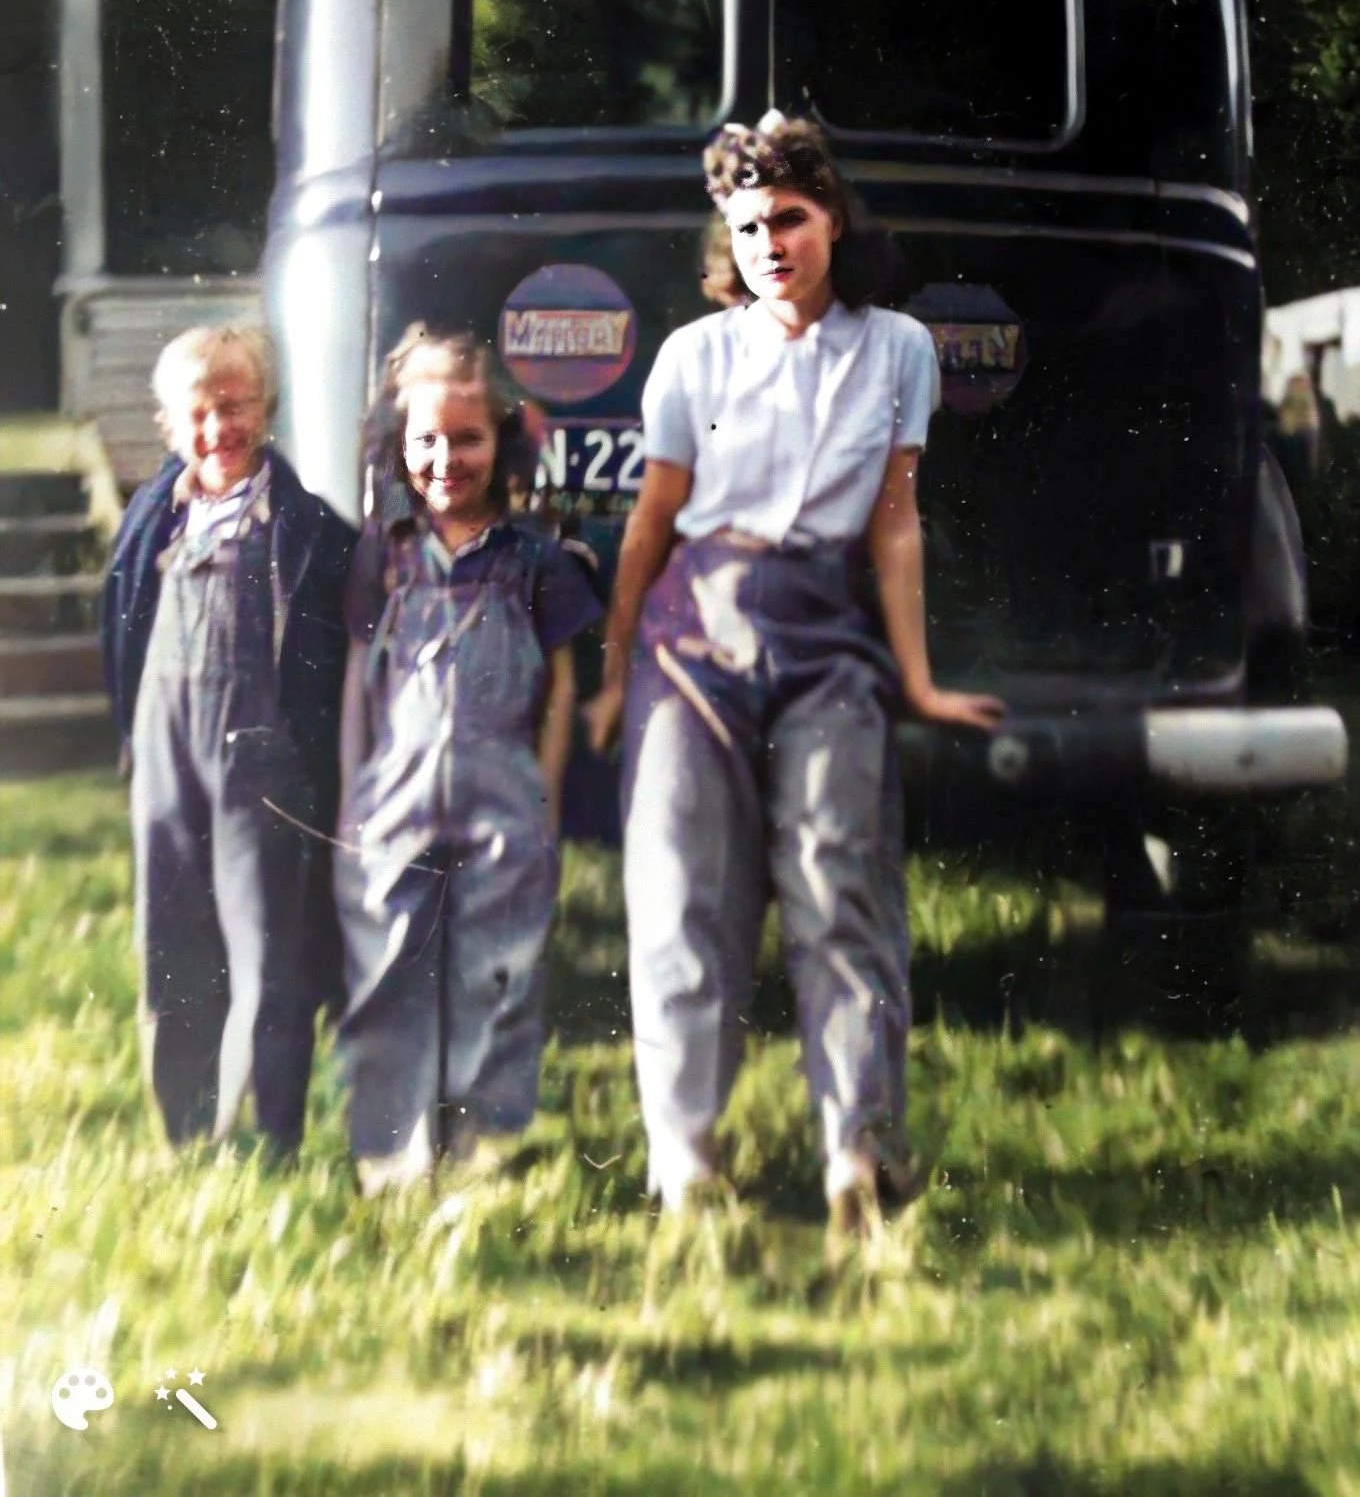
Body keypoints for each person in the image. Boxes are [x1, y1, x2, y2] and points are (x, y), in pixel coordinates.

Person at [586, 113, 1004, 1242]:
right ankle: (683, 1162)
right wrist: (618, 675)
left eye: (791, 218)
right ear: (726, 238)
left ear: (831, 220)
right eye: (749, 224)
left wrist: (915, 681)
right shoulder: (694, 356)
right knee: (680, 891)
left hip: (825, 630)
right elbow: (649, 525)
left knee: (838, 886)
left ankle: (858, 1159)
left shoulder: (897, 349)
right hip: (691, 630)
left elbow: (894, 521)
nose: (771, 242)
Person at [336, 326, 602, 1194]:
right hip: (395, 791)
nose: (446, 458)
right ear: (398, 443)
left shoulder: (535, 560)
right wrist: (353, 794)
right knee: (389, 969)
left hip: (503, 790)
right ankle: (391, 1150)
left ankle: (481, 1143)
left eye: (467, 438)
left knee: (497, 967)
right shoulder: (388, 552)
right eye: (426, 440)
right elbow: (357, 677)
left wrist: (547, 795)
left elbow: (561, 688)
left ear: (504, 440)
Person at [101, 324, 355, 1157]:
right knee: (171, 940)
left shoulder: (307, 529)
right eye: (201, 414)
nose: (220, 430)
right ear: (172, 426)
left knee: (268, 950)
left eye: (236, 406)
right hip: (165, 752)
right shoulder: (149, 521)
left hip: (264, 758)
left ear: (266, 408)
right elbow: (123, 629)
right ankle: (188, 1134)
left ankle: (274, 1133)